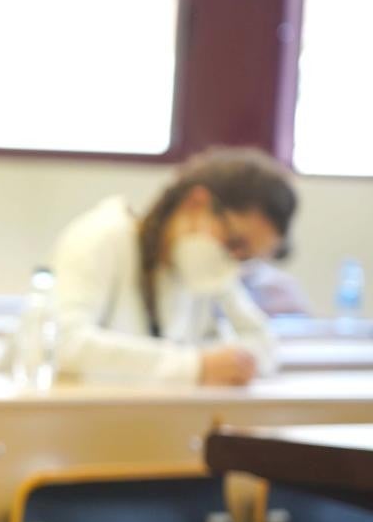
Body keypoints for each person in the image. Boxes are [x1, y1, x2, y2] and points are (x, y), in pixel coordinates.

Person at [50, 148, 297, 386]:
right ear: (196, 202)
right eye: (234, 242)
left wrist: (231, 363)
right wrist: (195, 366)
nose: (233, 261)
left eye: (246, 258)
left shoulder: (210, 274)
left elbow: (263, 345)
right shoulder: (102, 237)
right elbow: (64, 345)